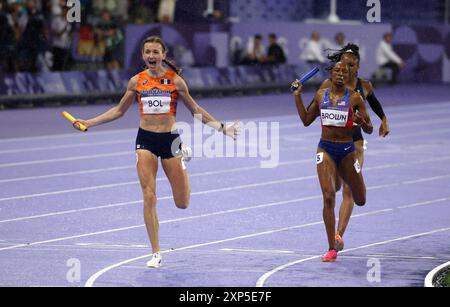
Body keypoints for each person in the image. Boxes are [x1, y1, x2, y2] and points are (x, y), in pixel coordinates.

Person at [72, 36, 241, 268]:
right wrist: (90, 122)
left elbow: (196, 110)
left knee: (182, 203)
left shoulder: (176, 81)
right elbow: (119, 111)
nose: (151, 56)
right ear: (143, 55)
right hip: (146, 141)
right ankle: (155, 252)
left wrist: (222, 128)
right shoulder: (136, 82)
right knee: (149, 196)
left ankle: (184, 157)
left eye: (155, 52)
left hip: (170, 141)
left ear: (163, 55)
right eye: (147, 52)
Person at [291, 61, 373, 262]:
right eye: (337, 70)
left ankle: (349, 178)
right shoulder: (321, 95)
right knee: (328, 197)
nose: (340, 74)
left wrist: (362, 122)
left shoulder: (355, 98)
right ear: (331, 74)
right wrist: (297, 96)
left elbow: (370, 128)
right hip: (325, 149)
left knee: (360, 199)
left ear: (348, 76)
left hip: (347, 152)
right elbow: (305, 120)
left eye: (344, 71)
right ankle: (331, 247)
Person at [318, 44, 390, 251]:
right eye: (344, 63)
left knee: (349, 190)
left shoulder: (364, 87)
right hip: (332, 144)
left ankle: (338, 234)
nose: (347, 67)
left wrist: (383, 120)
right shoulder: (328, 84)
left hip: (355, 143)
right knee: (335, 188)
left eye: (351, 63)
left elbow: (375, 105)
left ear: (357, 65)